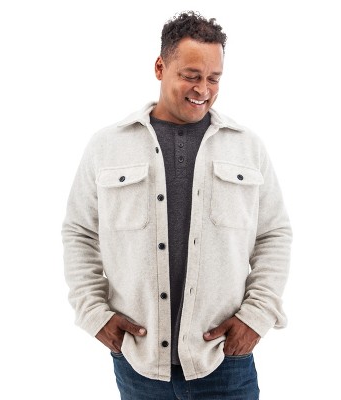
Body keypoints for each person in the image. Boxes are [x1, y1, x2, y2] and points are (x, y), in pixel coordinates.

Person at [62, 11, 292, 400]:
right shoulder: (107, 146)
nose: (203, 89)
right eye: (191, 75)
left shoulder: (247, 146)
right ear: (160, 67)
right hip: (138, 362)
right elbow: (79, 232)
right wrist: (93, 313)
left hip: (224, 359)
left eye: (214, 78)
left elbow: (274, 234)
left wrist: (257, 316)